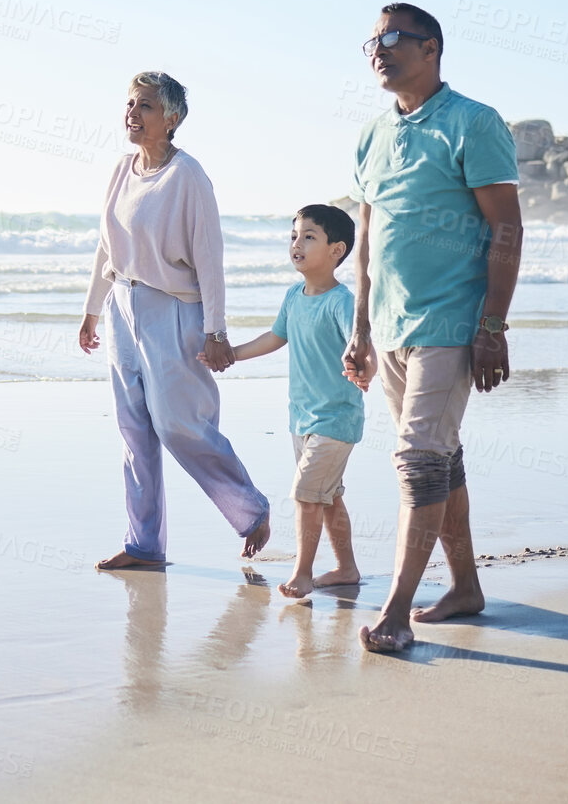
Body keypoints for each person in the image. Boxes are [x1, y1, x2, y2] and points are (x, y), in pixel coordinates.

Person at [341, 3, 523, 654]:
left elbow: (505, 226)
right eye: (371, 41)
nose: (378, 50)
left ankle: (393, 608)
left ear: (431, 46)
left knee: (418, 460)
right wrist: (358, 328)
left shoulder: (473, 122)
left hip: (450, 320)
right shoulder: (369, 136)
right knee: (439, 458)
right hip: (389, 328)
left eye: (392, 38)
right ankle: (467, 585)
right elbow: (368, 237)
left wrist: (492, 325)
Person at [78, 72, 272, 569]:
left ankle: (249, 509)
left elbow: (210, 258)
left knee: (178, 423)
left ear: (172, 118)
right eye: (129, 103)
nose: (132, 112)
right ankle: (144, 544)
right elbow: (107, 247)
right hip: (123, 306)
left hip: (175, 311)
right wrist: (92, 310)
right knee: (133, 428)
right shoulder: (120, 170)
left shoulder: (188, 175)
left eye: (144, 105)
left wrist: (217, 330)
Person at [202, 204, 364, 599]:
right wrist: (232, 354)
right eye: (294, 236)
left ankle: (303, 573)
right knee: (328, 497)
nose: (297, 244)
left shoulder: (342, 301)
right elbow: (276, 337)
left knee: (307, 494)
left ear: (336, 250)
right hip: (302, 419)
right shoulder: (294, 296)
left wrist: (356, 360)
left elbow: (357, 341)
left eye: (310, 236)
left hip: (335, 419)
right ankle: (346, 568)